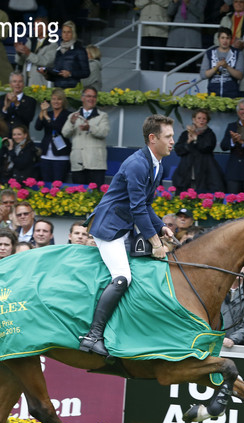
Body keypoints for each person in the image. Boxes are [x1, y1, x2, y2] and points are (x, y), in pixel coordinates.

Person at [79, 114, 176, 357]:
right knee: (123, 278)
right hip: (110, 229)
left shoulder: (157, 165)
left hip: (124, 226)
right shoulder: (137, 164)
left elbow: (145, 205)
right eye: (168, 137)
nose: (173, 141)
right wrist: (155, 242)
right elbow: (137, 208)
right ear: (153, 139)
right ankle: (93, 336)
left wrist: (161, 226)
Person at [62, 86, 110, 186]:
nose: (91, 99)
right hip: (78, 162)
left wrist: (89, 128)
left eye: (94, 97)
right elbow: (65, 133)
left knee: (96, 195)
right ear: (82, 98)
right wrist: (71, 123)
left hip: (96, 164)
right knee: (79, 195)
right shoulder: (73, 116)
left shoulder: (102, 116)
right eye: (88, 96)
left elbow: (104, 132)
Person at [172, 109, 225, 193]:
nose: (201, 121)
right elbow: (178, 150)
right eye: (199, 118)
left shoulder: (210, 134)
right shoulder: (185, 134)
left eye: (204, 119)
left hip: (204, 172)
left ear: (207, 121)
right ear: (194, 119)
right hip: (186, 172)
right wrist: (188, 141)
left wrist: (196, 138)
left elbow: (207, 147)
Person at [35, 88, 72, 183]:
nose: (56, 101)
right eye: (54, 99)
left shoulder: (68, 115)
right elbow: (37, 127)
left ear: (63, 101)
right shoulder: (48, 113)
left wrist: (47, 117)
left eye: (59, 99)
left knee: (58, 184)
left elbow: (60, 129)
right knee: (46, 184)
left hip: (61, 156)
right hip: (46, 155)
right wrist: (42, 111)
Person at [201, 27, 244, 98]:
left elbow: (240, 76)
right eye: (222, 38)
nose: (225, 41)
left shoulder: (237, 53)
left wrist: (227, 67)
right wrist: (216, 67)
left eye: (227, 38)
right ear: (218, 39)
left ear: (231, 39)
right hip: (213, 96)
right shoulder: (209, 53)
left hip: (231, 96)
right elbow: (203, 75)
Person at [13, 16, 56, 88]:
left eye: (37, 26)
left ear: (45, 27)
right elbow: (19, 62)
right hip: (26, 80)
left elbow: (45, 62)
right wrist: (19, 53)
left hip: (40, 83)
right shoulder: (30, 41)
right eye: (34, 26)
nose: (34, 29)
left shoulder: (52, 44)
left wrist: (28, 54)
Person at [43, 21, 89, 89]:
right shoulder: (58, 51)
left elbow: (86, 72)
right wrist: (47, 74)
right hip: (58, 88)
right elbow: (57, 73)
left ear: (73, 33)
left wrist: (70, 74)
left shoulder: (79, 50)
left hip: (72, 89)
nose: (66, 34)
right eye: (64, 32)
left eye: (68, 32)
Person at [166, 0, 206, 68]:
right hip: (178, 32)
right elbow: (169, 12)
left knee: (191, 62)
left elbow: (200, 13)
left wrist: (188, 3)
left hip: (192, 33)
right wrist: (174, 2)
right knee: (178, 62)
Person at [135, 0, 170, 71]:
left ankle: (159, 78)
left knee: (159, 57)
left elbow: (167, 3)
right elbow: (138, 4)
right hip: (145, 29)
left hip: (160, 29)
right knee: (144, 57)